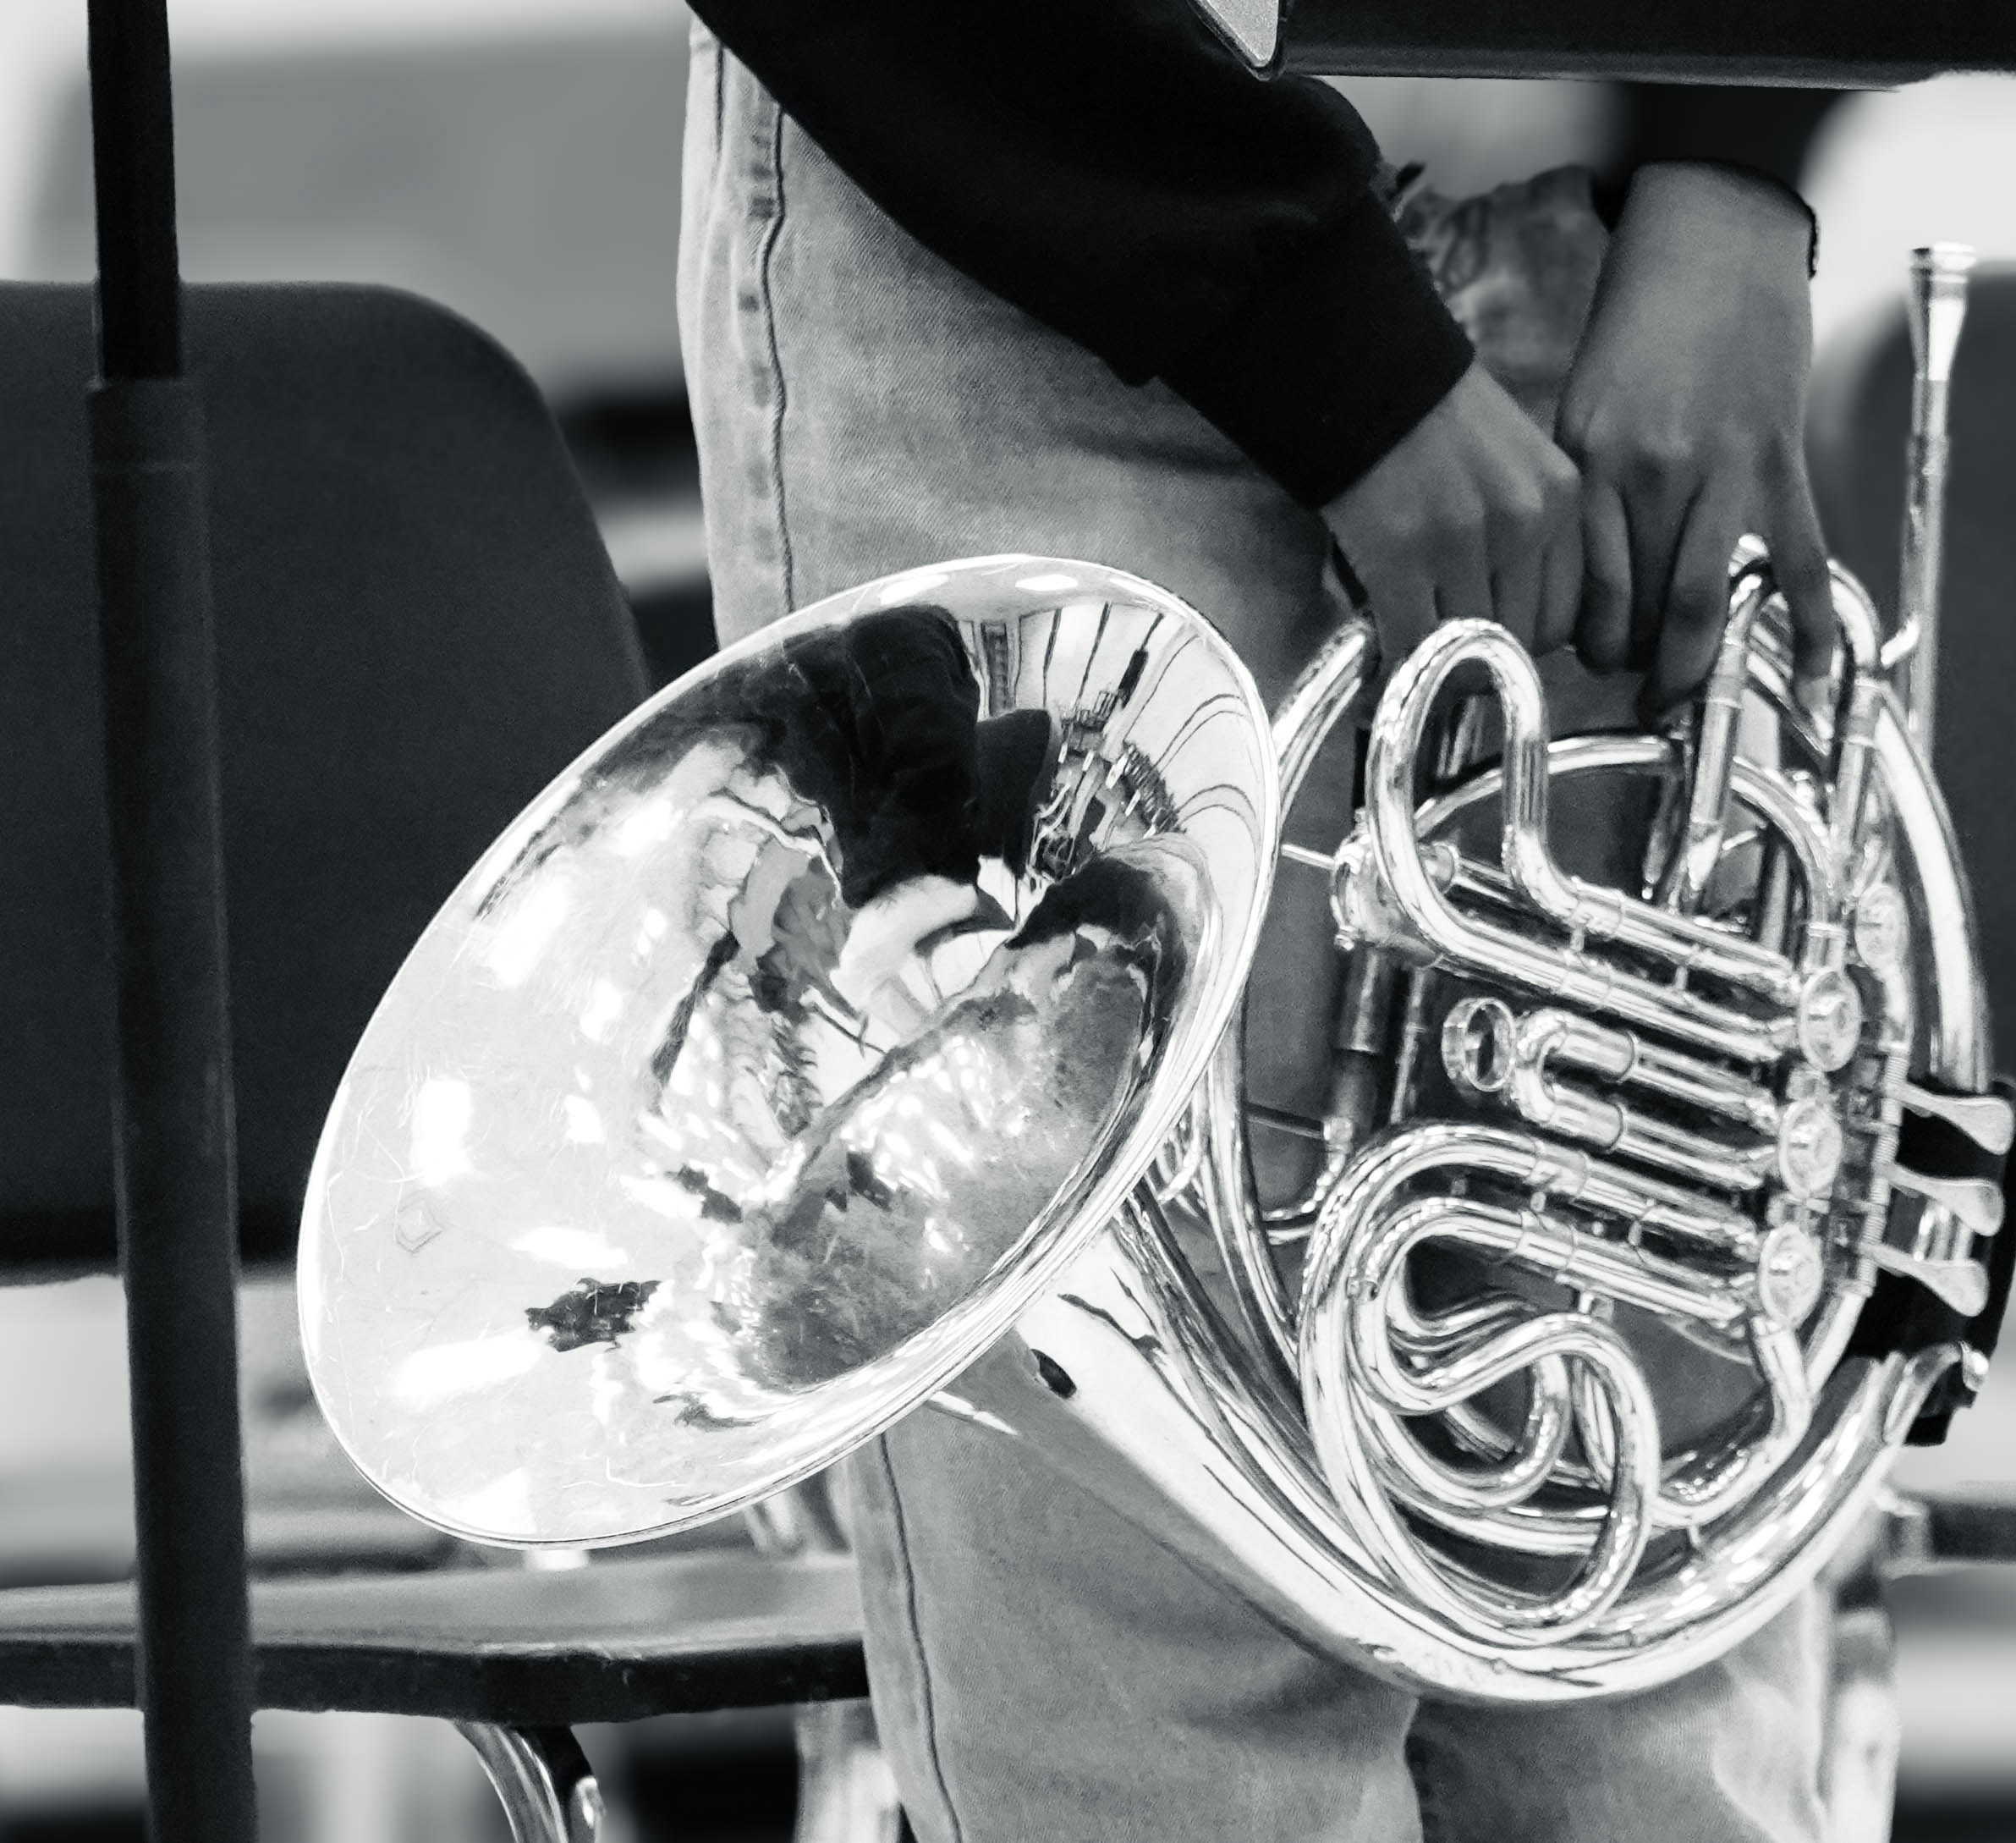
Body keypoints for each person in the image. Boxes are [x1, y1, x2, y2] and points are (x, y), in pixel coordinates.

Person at [675, 5, 1880, 1838]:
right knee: (1172, 1708)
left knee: (1645, 1665)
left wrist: (1734, 156)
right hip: (1045, 180)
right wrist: (1344, 357)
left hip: (1613, 208)